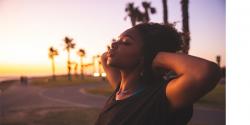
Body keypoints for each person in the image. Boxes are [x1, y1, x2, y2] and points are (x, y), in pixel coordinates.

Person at [95, 23, 221, 125]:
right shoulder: (120, 89)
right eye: (116, 41)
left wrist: (156, 56)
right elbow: (104, 57)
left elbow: (205, 72)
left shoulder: (160, 97)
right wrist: (122, 42)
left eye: (126, 42)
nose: (113, 44)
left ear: (145, 56)